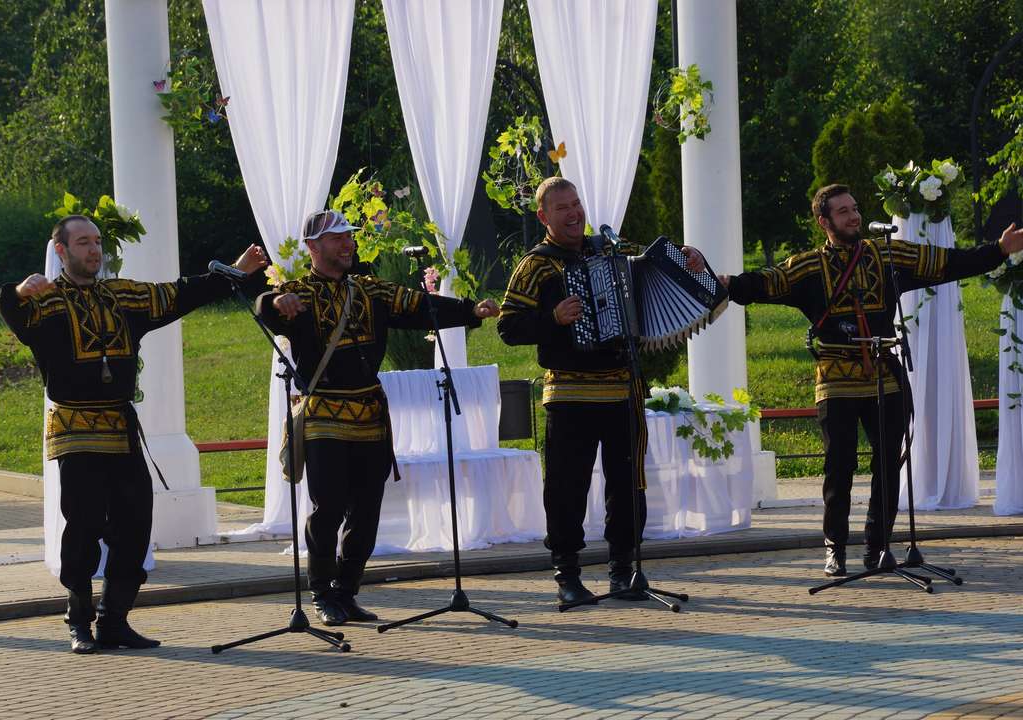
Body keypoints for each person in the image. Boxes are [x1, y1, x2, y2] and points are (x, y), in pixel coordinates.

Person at [0, 215, 268, 653]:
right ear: (61, 251)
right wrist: (17, 291)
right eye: (83, 242)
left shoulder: (124, 296)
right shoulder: (45, 303)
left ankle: (114, 619)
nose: (94, 250)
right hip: (77, 429)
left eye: (97, 242)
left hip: (120, 428)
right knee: (83, 527)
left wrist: (234, 272)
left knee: (136, 523)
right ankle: (79, 619)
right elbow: (10, 311)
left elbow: (179, 293)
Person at [720, 184, 1023, 577]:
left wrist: (999, 250)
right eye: (843, 211)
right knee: (839, 467)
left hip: (883, 373)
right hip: (836, 379)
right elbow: (762, 283)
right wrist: (723, 280)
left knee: (888, 467)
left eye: (855, 208)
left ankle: (878, 550)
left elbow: (946, 263)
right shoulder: (808, 266)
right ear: (824, 221)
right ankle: (835, 549)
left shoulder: (888, 255)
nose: (854, 216)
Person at [257, 209, 499, 626]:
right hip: (324, 416)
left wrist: (470, 310)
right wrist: (275, 300)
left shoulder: (373, 292)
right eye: (336, 238)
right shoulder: (298, 293)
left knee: (367, 510)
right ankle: (321, 593)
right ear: (313, 247)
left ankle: (347, 592)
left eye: (348, 236)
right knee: (327, 508)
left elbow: (421, 306)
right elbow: (267, 309)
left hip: (370, 416)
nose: (346, 243)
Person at [497, 177, 705, 605]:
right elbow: (508, 326)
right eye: (562, 208)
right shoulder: (535, 265)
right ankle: (567, 574)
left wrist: (688, 257)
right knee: (566, 486)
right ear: (543, 217)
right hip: (569, 393)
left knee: (628, 483)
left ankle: (622, 571)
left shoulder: (606, 250)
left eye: (576, 204)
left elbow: (651, 262)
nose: (574, 214)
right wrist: (552, 317)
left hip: (621, 389)